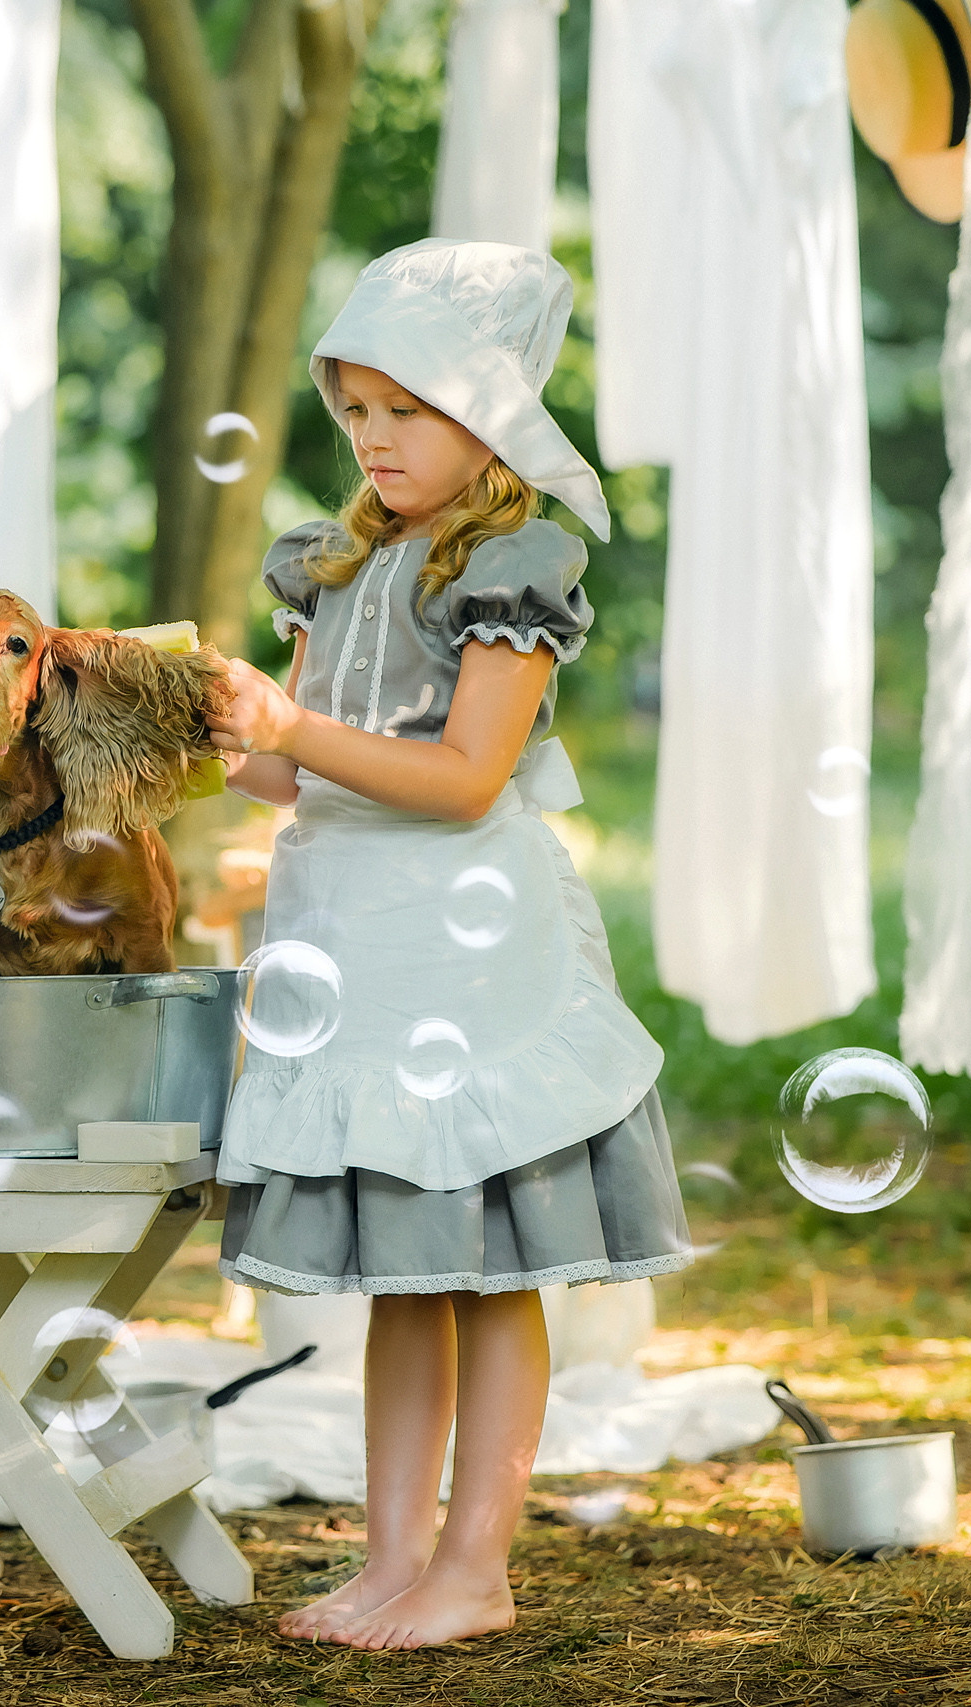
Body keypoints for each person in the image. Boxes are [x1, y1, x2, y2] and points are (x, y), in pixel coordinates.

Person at [205, 240, 693, 1650]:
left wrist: (296, 732)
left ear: (486, 410)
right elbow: (303, 775)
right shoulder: (338, 558)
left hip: (464, 952)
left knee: (482, 1271)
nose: (373, 439)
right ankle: (389, 1560)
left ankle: (476, 1568)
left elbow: (469, 774)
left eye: (403, 410)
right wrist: (208, 723)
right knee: (400, 1281)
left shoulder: (515, 564)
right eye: (354, 410)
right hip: (350, 942)